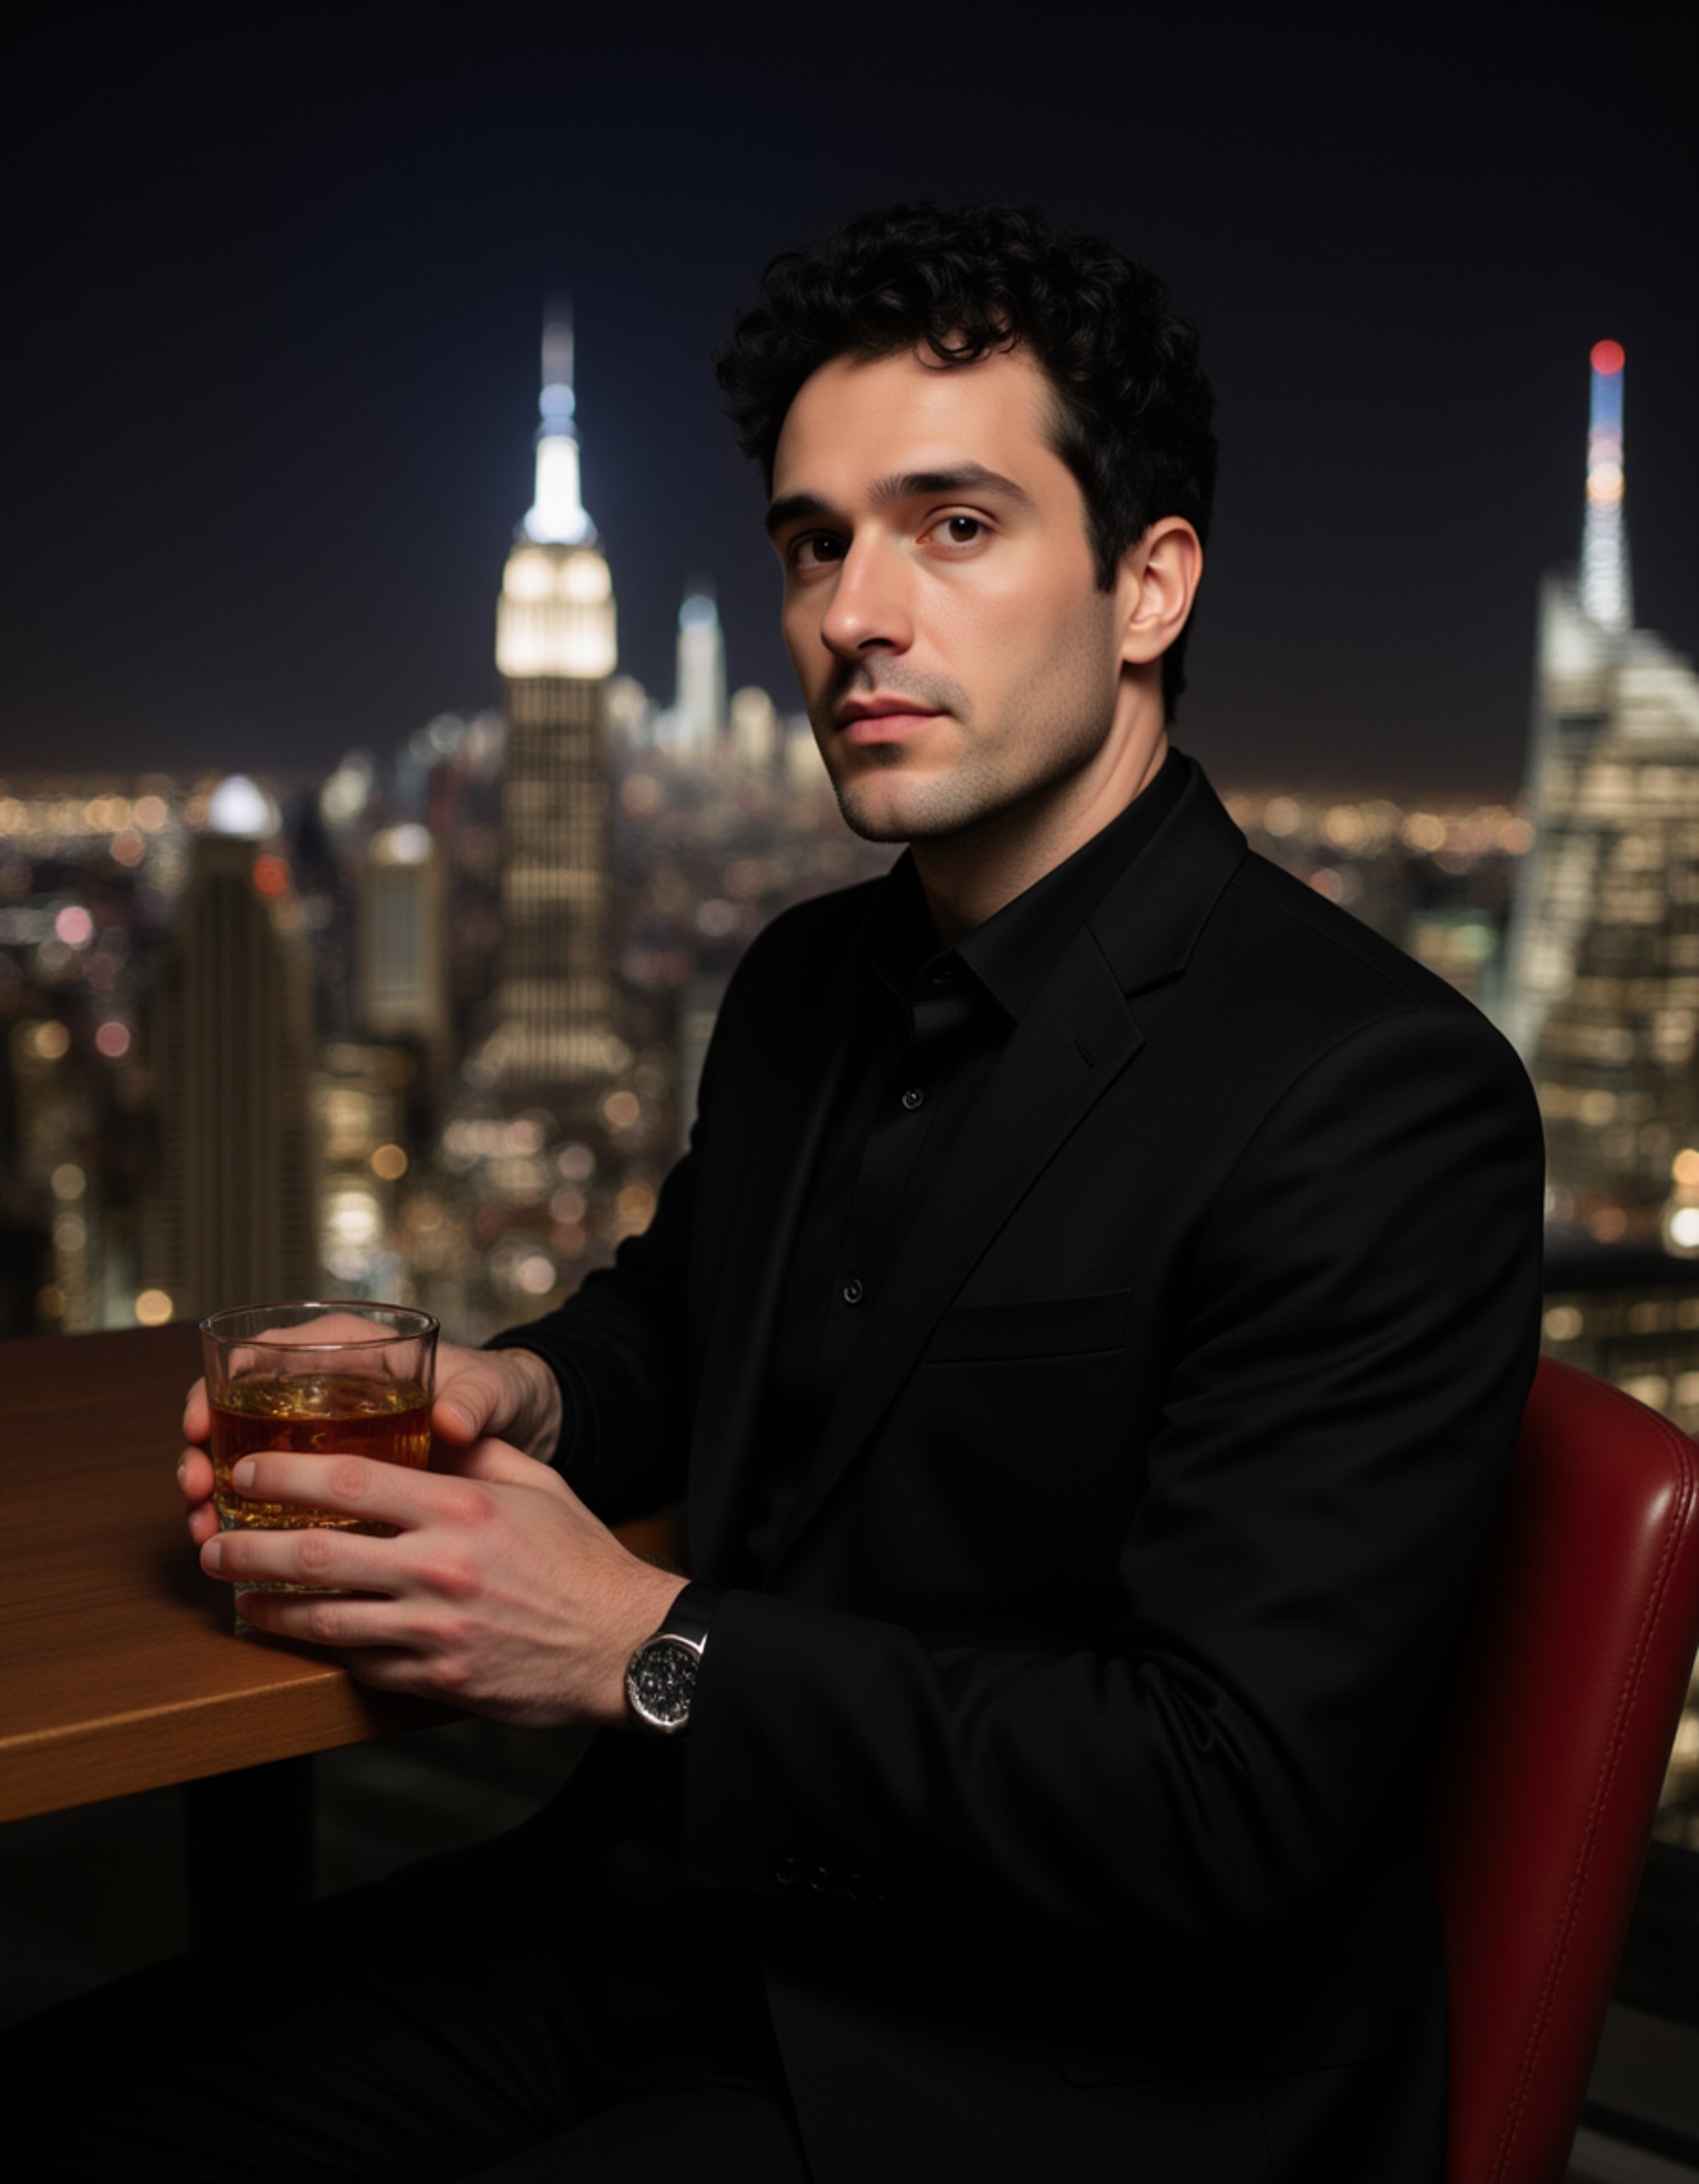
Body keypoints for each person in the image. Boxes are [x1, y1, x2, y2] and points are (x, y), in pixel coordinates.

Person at [21, 203, 1544, 2181]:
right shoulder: (808, 982)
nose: (855, 611)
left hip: (1056, 2077)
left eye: (955, 525)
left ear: (1149, 584)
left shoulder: (1371, 1091)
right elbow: (696, 1304)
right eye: (816, 540)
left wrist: (640, 1643)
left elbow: (1219, 1795)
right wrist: (528, 1389)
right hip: (687, 1922)